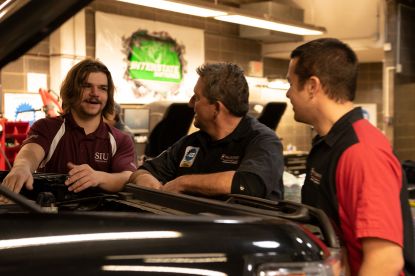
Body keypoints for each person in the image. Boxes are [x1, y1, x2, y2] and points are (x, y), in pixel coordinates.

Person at [286, 38, 414, 275]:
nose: (288, 93)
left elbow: (385, 261)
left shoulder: (362, 152)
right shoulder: (327, 145)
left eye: (291, 84)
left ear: (313, 86)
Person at [129, 62, 284, 200]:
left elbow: (249, 184)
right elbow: (142, 171)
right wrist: (147, 182)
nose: (190, 104)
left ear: (216, 108)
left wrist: (183, 183)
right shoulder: (191, 143)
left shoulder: (263, 141)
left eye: (196, 98)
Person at [0, 58, 137, 200]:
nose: (95, 93)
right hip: (52, 218)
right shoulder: (47, 127)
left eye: (102, 88)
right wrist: (22, 166)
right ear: (72, 91)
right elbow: (31, 153)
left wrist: (98, 177)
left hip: (102, 220)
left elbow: (127, 176)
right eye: (86, 86)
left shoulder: (121, 140)